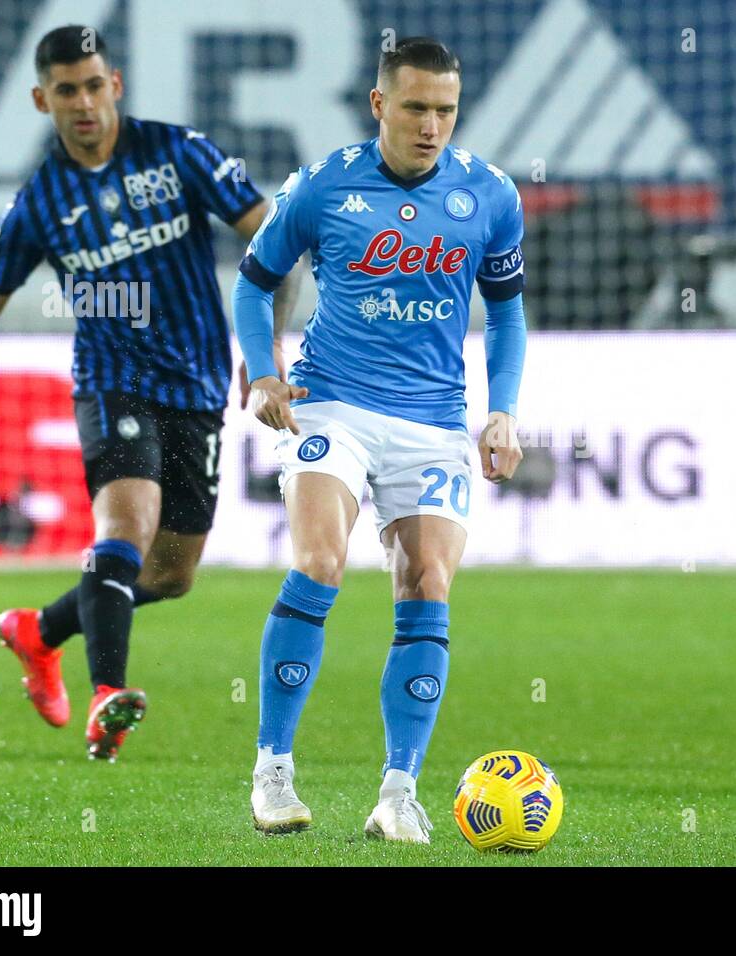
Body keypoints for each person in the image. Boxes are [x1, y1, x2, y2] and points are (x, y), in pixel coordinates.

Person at [0, 25, 296, 762]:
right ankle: (108, 696)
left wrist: (265, 351)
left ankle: (39, 631)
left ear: (114, 84)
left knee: (172, 573)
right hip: (110, 380)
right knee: (127, 525)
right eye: (67, 90)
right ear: (41, 99)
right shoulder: (39, 201)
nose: (84, 102)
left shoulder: (178, 151)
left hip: (194, 383)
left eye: (94, 85)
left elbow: (270, 238)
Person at [234, 37, 527, 841]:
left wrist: (501, 408)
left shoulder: (490, 195)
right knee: (321, 560)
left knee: (428, 580)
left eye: (446, 110)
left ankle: (398, 792)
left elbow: (505, 309)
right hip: (332, 405)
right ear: (379, 105)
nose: (431, 126)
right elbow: (254, 284)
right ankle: (273, 771)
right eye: (416, 108)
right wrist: (263, 371)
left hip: (433, 421)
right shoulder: (325, 185)